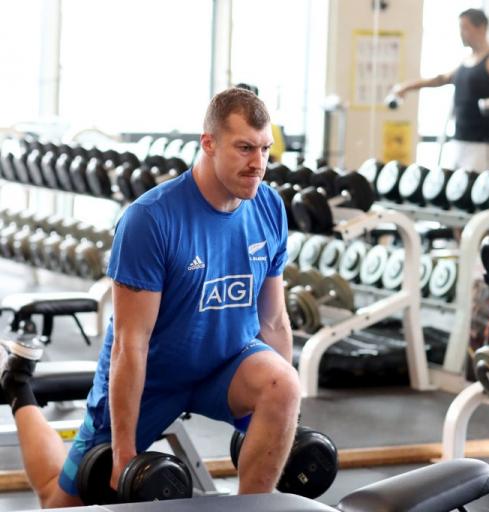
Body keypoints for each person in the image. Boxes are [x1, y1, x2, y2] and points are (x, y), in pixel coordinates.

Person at [0, 87, 301, 508]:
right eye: (245, 148)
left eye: (265, 149)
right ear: (208, 143)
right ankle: (17, 388)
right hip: (152, 377)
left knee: (284, 384)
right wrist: (123, 450)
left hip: (227, 363)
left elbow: (272, 322)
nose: (258, 164)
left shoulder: (269, 207)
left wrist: (287, 421)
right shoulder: (151, 219)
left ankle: (252, 507)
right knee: (59, 505)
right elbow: (131, 343)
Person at [390, 8, 489, 171]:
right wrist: (406, 87)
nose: (461, 33)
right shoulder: (466, 61)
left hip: (484, 144)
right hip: (459, 139)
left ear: (481, 28)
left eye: (465, 28)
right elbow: (440, 79)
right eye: (460, 28)